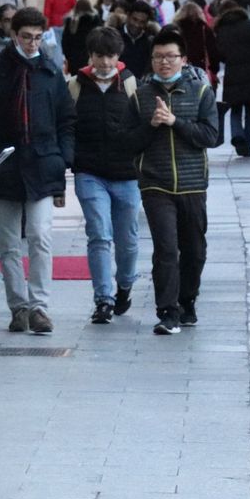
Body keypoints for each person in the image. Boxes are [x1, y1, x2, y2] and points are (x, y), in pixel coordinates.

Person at [0, 7, 75, 335]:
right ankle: (19, 306)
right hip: (5, 167)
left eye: (38, 37)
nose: (32, 43)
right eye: (26, 37)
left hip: (42, 165)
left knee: (40, 236)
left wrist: (63, 157)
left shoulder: (51, 72)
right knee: (9, 241)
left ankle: (40, 306)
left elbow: (66, 119)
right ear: (14, 36)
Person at [137, 27, 222, 335]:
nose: (164, 63)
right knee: (165, 248)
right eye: (158, 57)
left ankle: (187, 299)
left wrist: (175, 123)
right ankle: (167, 310)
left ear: (183, 60)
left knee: (195, 249)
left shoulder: (200, 91)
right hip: (155, 183)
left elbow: (211, 136)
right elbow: (129, 142)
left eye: (170, 56)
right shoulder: (142, 95)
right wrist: (151, 125)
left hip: (192, 183)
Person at [71, 27, 146, 324]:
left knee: (127, 238)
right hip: (89, 172)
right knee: (99, 234)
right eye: (99, 56)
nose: (104, 62)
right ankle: (103, 298)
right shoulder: (75, 86)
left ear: (119, 57)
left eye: (110, 56)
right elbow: (67, 125)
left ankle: (125, 284)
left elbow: (143, 127)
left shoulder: (131, 85)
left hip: (126, 173)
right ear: (90, 56)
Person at [214, 0, 250, 157]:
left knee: (235, 108)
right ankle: (247, 145)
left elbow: (220, 53)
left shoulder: (222, 29)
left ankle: (237, 134)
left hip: (233, 72)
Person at [172, 1, 219, 86]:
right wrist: (214, 70)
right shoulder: (204, 29)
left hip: (178, 71)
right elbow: (213, 53)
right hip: (201, 72)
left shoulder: (175, 29)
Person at [61, 0, 101, 74]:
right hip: (90, 55)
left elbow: (65, 40)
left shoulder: (71, 20)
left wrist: (67, 56)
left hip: (74, 57)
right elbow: (99, 37)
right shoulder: (94, 19)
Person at [119, 1, 157, 77]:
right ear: (128, 16)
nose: (137, 25)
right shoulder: (115, 36)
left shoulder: (149, 41)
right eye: (135, 19)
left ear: (147, 23)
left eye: (142, 22)